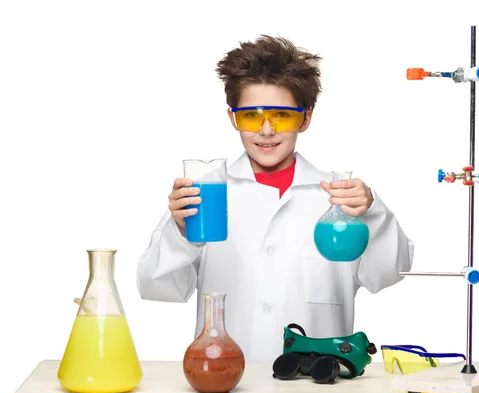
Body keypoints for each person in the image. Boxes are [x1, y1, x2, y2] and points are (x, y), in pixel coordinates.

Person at [137, 35, 414, 362]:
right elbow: (157, 287)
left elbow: (389, 273)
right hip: (227, 380)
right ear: (233, 118)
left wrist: (373, 213)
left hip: (318, 384)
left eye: (281, 116)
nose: (266, 130)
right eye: (252, 116)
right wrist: (180, 231)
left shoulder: (339, 197)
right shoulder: (207, 194)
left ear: (304, 118)